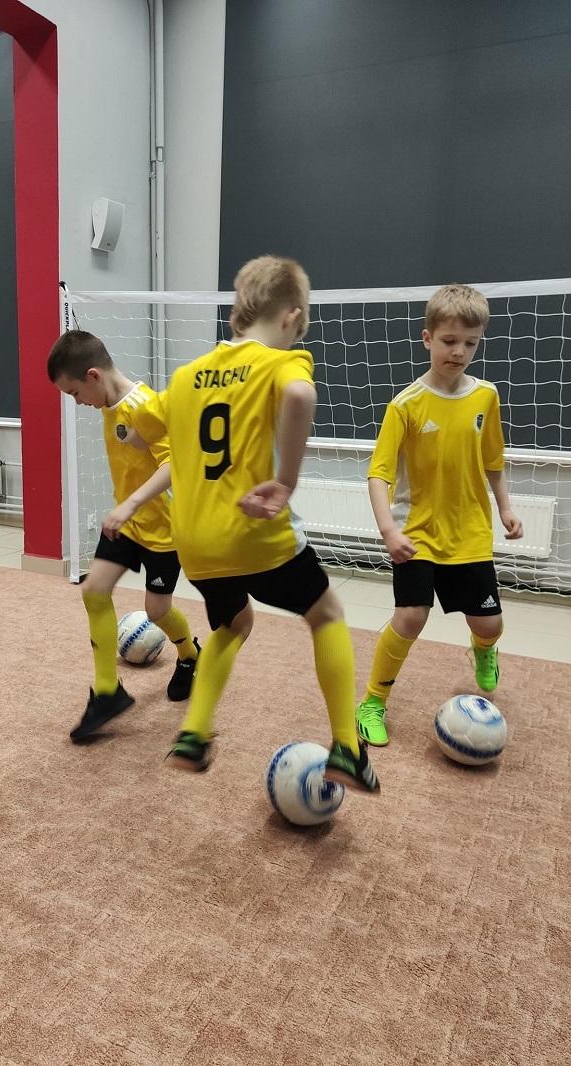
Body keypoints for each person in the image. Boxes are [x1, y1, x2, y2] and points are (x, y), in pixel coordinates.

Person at [127, 255, 380, 794]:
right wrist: (285, 480)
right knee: (327, 614)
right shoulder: (281, 364)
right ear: (292, 317)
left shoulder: (185, 376)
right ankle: (347, 747)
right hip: (254, 531)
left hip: (195, 542)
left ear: (239, 311)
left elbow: (141, 429)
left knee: (233, 625)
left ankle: (193, 734)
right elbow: (300, 395)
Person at [354, 284, 523, 746]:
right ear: (428, 338)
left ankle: (482, 649)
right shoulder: (405, 404)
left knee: (489, 624)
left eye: (470, 342)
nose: (459, 351)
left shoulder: (486, 397)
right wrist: (387, 529)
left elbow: (493, 460)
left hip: (469, 531)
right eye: (449, 341)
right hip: (417, 531)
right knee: (411, 616)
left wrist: (505, 507)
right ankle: (372, 702)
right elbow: (378, 474)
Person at [47, 330, 200, 742]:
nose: (77, 402)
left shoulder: (146, 407)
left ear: (94, 376)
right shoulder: (108, 405)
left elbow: (175, 465)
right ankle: (107, 692)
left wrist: (130, 503)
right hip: (126, 526)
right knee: (94, 591)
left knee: (157, 611)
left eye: (74, 392)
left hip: (164, 531)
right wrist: (126, 509)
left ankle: (190, 655)